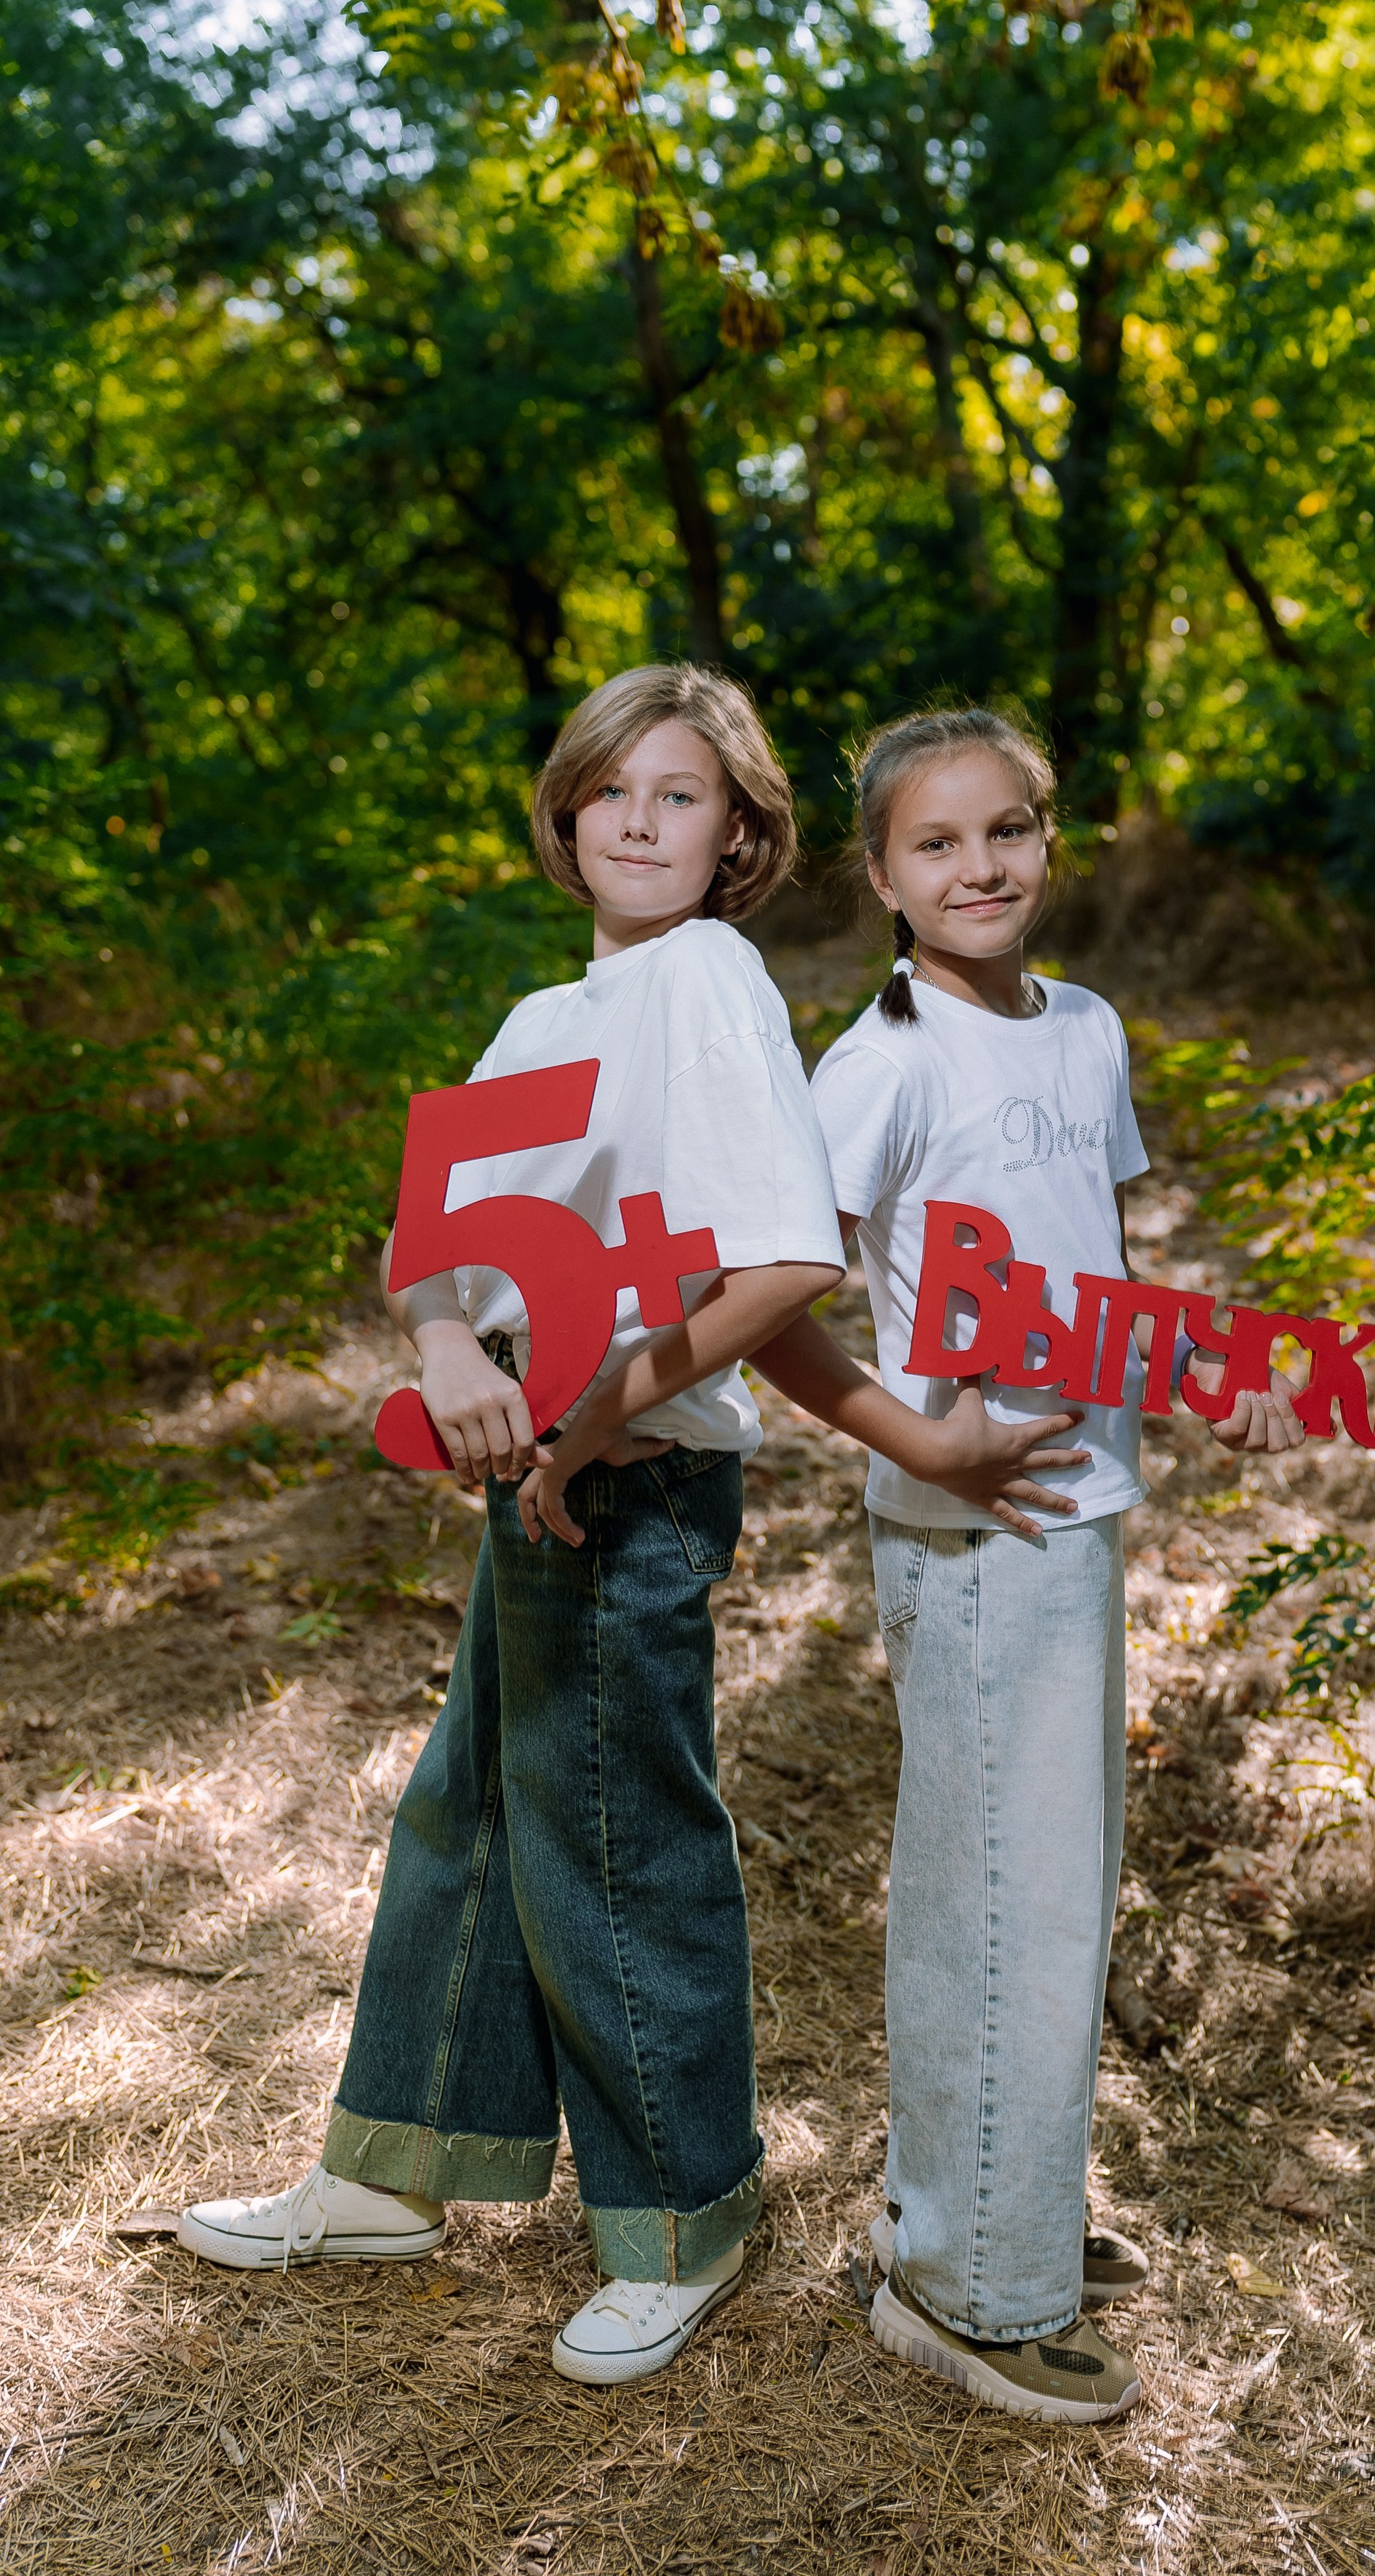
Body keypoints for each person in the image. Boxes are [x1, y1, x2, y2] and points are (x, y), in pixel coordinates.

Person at [176, 666, 1086, 2391]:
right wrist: (453, 1349)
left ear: (738, 832)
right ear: (567, 818)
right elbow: (432, 1250)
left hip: (637, 1477)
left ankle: (688, 2206)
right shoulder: (546, 1015)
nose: (643, 822)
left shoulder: (705, 983)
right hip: (539, 1472)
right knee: (465, 1816)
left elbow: (779, 1261)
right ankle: (388, 2168)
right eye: (612, 793)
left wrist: (587, 1423)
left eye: (683, 797)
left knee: (610, 1832)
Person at [749, 707, 1303, 2426]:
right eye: (934, 845)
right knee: (1007, 1887)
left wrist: (1210, 1376)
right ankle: (969, 2290)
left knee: (1046, 1868)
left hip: (1078, 1502)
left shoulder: (1081, 1029)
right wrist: (919, 1443)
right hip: (972, 1525)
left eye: (1005, 832)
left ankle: (989, 2205)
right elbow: (772, 1295)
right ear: (878, 875)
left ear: (1049, 842)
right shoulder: (884, 1060)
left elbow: (1097, 1272)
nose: (975, 868)